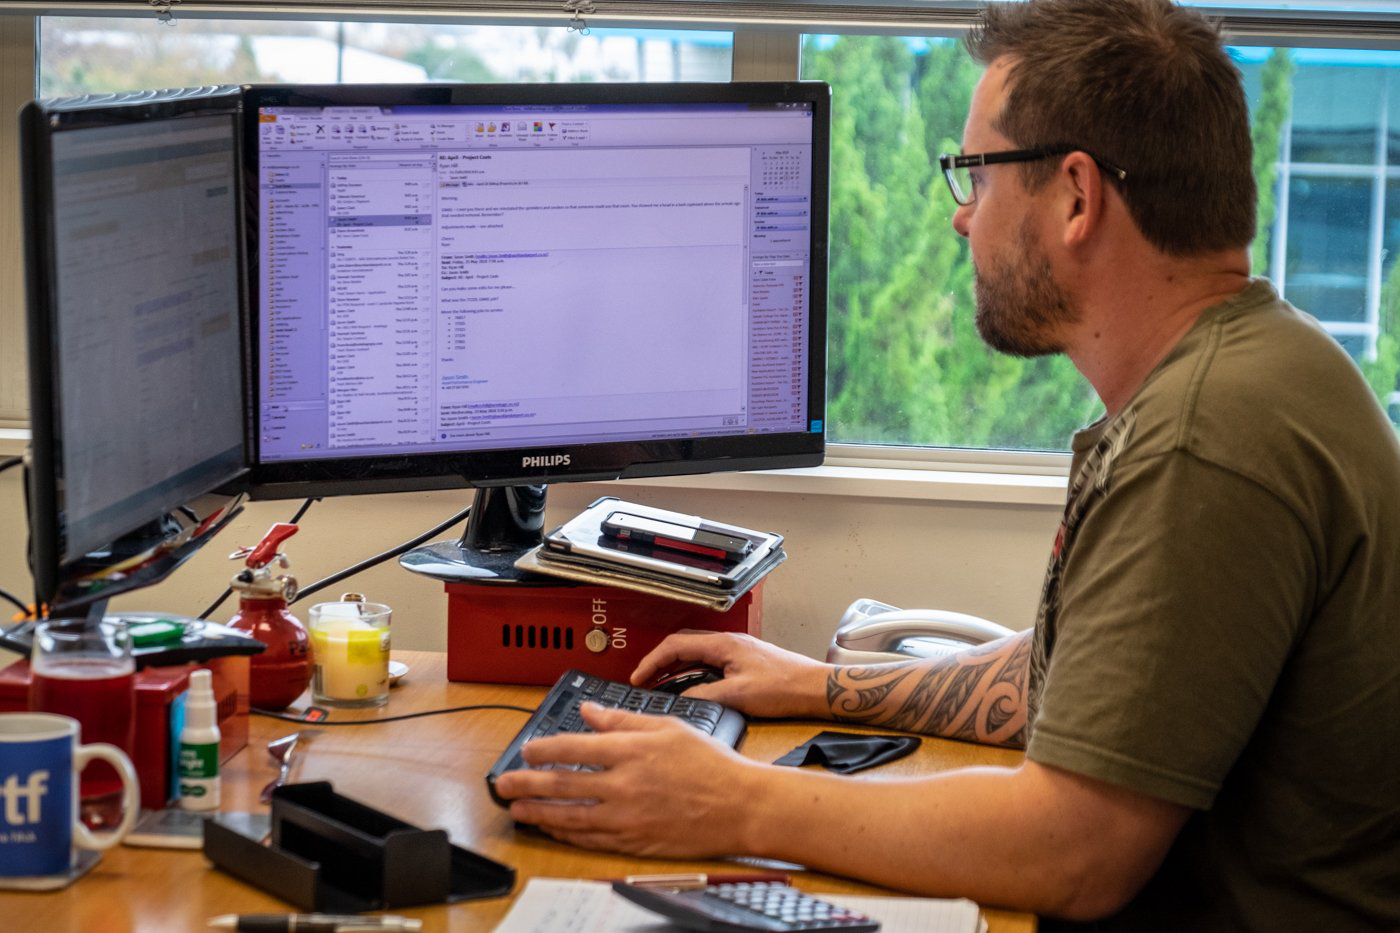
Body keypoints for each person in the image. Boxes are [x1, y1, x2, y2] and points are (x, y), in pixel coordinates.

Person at [494, 0, 1400, 928]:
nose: (964, 219)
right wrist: (812, 682)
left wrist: (731, 799)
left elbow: (1076, 846)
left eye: (977, 173)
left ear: (1077, 196)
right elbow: (1062, 681)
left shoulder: (1206, 440)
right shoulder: (1248, 370)